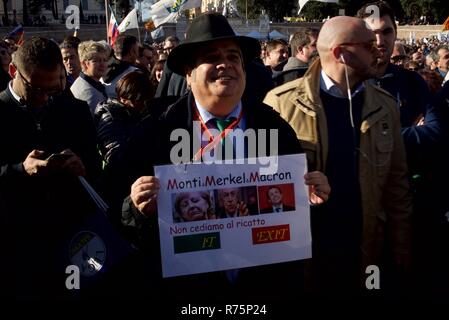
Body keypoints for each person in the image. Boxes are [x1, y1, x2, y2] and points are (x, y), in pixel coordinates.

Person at [119, 13, 330, 301]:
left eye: (234, 57)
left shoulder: (275, 129)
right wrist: (135, 207)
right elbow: (118, 220)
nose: (225, 65)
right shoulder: (154, 133)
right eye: (212, 56)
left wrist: (311, 197)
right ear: (189, 72)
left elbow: (296, 223)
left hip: (262, 291)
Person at [264, 16, 412, 297]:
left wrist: (401, 244)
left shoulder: (386, 106)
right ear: (341, 52)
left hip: (368, 250)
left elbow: (397, 183)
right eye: (368, 45)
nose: (380, 49)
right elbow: (261, 184)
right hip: (307, 254)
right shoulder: (280, 104)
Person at [0, 37, 101, 299]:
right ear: (14, 72)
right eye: (34, 90)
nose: (44, 98)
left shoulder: (75, 111)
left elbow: (96, 168)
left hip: (71, 235)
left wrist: (82, 166)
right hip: (16, 242)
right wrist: (20, 170)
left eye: (53, 89)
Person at [70, 40, 109, 115]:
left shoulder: (91, 85)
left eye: (105, 60)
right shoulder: (88, 94)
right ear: (84, 64)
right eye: (97, 61)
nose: (103, 64)